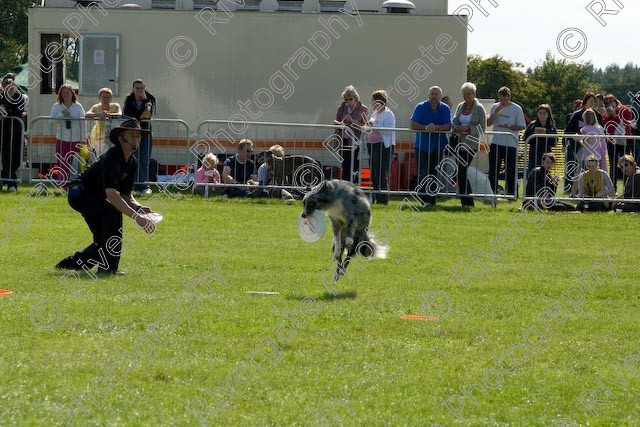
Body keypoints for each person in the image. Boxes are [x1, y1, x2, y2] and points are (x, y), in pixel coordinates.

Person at [55, 119, 157, 275]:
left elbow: (125, 194)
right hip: (80, 194)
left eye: (138, 135)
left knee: (102, 240)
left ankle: (69, 265)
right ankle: (109, 269)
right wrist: (137, 218)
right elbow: (111, 194)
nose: (136, 138)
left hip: (93, 197)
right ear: (121, 138)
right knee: (113, 213)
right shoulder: (112, 158)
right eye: (132, 135)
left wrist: (138, 207)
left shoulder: (132, 162)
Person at [410, 85, 451, 205]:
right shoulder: (420, 107)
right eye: (432, 94)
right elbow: (413, 124)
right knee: (423, 172)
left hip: (438, 146)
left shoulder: (445, 108)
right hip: (422, 145)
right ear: (428, 95)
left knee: (434, 173)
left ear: (441, 96)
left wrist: (436, 128)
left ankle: (431, 200)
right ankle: (423, 199)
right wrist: (425, 127)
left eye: (436, 94)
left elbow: (448, 125)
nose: (434, 96)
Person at [452, 82, 487, 207]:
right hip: (458, 144)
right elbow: (454, 122)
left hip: (471, 145)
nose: (466, 96)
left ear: (474, 94)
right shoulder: (460, 106)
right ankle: (466, 201)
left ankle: (467, 201)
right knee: (462, 172)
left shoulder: (479, 108)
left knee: (461, 171)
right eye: (464, 94)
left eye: (468, 94)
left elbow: (483, 128)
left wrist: (468, 129)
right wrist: (458, 128)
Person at [487, 86, 526, 198]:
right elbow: (488, 123)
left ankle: (512, 195)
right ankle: (492, 193)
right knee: (494, 170)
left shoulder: (516, 108)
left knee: (510, 171)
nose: (503, 102)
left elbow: (522, 126)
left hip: (511, 144)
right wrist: (495, 113)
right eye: (501, 99)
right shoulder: (495, 107)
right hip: (496, 143)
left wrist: (508, 126)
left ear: (509, 97)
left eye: (505, 99)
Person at [564, 92, 605, 193]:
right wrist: (565, 144)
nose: (592, 103)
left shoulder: (597, 116)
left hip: (592, 152)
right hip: (577, 149)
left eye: (593, 101)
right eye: (590, 101)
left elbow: (602, 133)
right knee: (577, 170)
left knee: (586, 171)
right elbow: (568, 131)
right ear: (585, 101)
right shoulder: (577, 115)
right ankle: (571, 190)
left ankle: (590, 190)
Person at [124, 79, 155, 195]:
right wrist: (141, 116)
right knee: (134, 159)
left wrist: (146, 104)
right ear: (133, 88)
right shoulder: (128, 100)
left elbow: (147, 115)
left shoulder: (150, 98)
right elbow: (131, 116)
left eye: (142, 88)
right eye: (137, 88)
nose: (140, 90)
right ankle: (138, 185)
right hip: (132, 134)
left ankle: (142, 185)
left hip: (146, 132)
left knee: (145, 159)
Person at [50, 84, 86, 186]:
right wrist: (61, 114)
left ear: (72, 93)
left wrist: (83, 139)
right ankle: (63, 186)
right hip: (62, 139)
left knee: (76, 166)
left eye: (68, 92)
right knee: (62, 164)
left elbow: (83, 123)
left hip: (76, 140)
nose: (66, 95)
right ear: (60, 94)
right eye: (63, 93)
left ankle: (75, 186)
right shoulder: (56, 106)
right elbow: (51, 122)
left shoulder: (78, 106)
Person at [365, 90, 396, 205]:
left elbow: (388, 131)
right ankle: (377, 198)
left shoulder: (389, 114)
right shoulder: (375, 113)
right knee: (374, 173)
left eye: (374, 101)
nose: (373, 104)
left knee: (382, 173)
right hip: (373, 146)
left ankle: (383, 199)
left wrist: (374, 126)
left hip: (385, 146)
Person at [335, 85, 368, 183]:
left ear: (356, 98)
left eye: (350, 99)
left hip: (355, 141)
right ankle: (346, 185)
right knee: (345, 164)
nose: (348, 102)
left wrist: (352, 121)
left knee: (355, 164)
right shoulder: (341, 107)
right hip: (343, 140)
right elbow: (336, 121)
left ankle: (355, 185)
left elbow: (365, 127)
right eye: (346, 99)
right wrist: (339, 124)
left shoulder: (363, 109)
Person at [0, 74, 26, 192]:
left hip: (17, 131)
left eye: (12, 85)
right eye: (7, 85)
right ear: (3, 87)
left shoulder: (19, 97)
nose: (9, 87)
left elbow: (16, 112)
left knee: (16, 158)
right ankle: (11, 183)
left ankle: (4, 178)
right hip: (3, 131)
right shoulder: (1, 97)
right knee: (5, 156)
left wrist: (6, 111)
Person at [602, 94, 634, 187]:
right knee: (613, 164)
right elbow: (605, 124)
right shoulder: (606, 113)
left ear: (615, 101)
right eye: (607, 103)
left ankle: (627, 186)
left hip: (624, 140)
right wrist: (607, 115)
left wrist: (615, 115)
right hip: (611, 141)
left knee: (627, 164)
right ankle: (613, 187)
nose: (609, 104)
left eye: (611, 101)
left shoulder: (625, 109)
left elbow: (626, 122)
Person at [85, 87, 122, 157]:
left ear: (111, 98)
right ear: (100, 98)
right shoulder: (96, 107)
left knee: (114, 157)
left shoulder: (115, 106)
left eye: (107, 97)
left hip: (113, 136)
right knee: (101, 158)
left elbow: (120, 114)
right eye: (103, 97)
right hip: (100, 137)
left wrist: (109, 115)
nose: (105, 99)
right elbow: (87, 114)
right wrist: (99, 114)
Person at [522, 104, 558, 173]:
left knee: (545, 177)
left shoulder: (551, 127)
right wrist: (533, 134)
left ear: (548, 114)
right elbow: (525, 138)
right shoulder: (532, 125)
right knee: (532, 175)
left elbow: (555, 141)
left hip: (547, 158)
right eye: (540, 113)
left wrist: (546, 133)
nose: (542, 115)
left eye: (544, 113)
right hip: (533, 155)